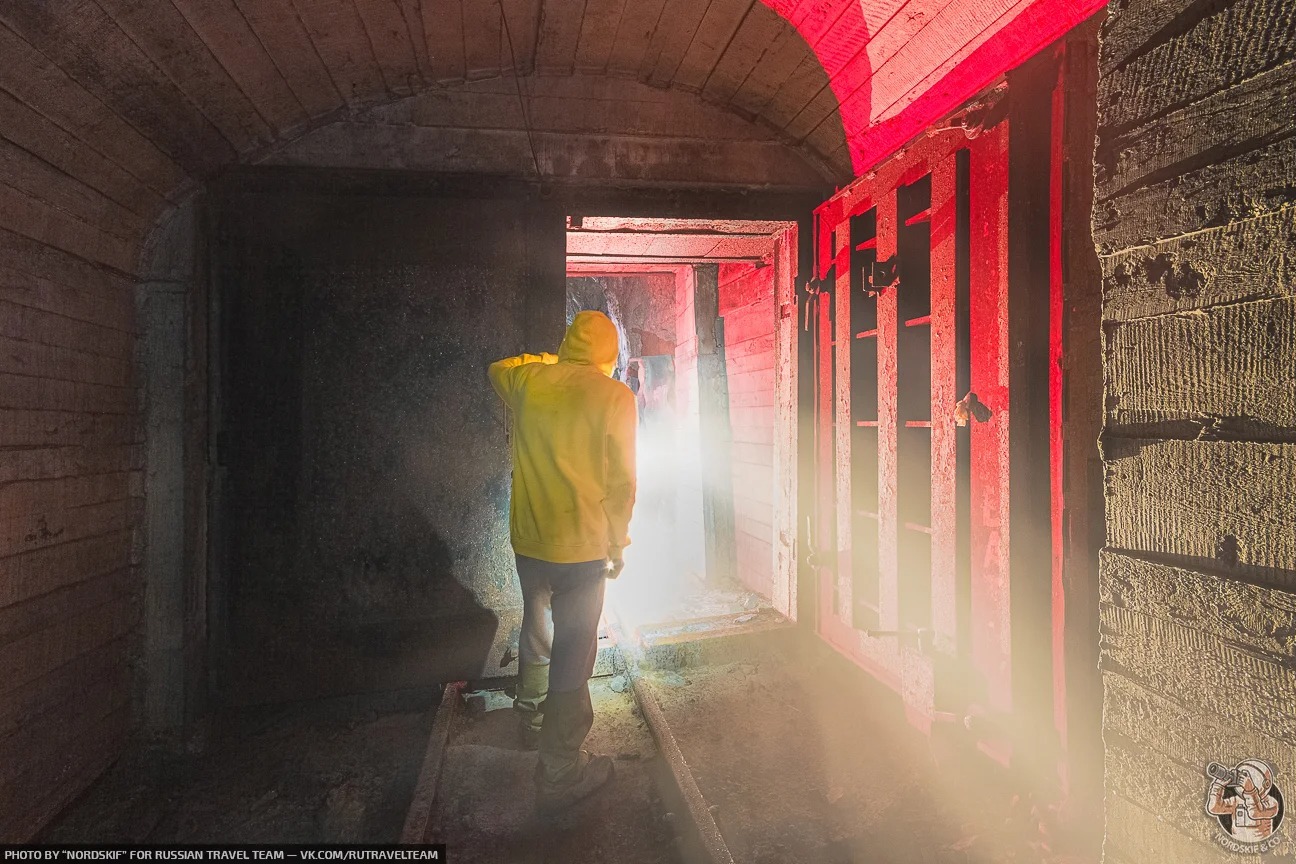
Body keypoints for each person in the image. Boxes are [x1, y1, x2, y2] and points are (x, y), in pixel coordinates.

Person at [487, 310, 638, 816]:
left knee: (536, 627)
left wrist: (554, 360)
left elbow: (497, 368)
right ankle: (559, 773)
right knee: (575, 651)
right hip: (584, 548)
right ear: (610, 355)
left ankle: (529, 717)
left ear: (567, 344)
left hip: (531, 543)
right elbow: (622, 483)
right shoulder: (615, 396)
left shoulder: (530, 380)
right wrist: (617, 544)